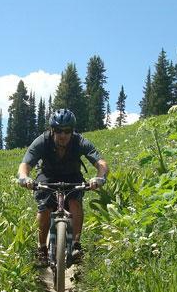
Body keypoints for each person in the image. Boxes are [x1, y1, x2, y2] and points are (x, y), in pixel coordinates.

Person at [16, 109, 108, 266]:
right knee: (44, 207)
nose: (63, 135)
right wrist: (24, 178)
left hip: (72, 177)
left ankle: (76, 245)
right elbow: (25, 164)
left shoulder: (79, 141)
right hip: (48, 176)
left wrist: (99, 177)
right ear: (52, 129)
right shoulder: (42, 141)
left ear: (72, 131)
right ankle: (42, 249)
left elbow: (101, 163)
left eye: (67, 131)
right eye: (58, 131)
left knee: (74, 203)